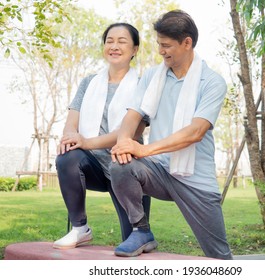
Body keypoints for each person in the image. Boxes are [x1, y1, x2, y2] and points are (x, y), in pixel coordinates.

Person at [110, 10, 233, 259]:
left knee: (219, 257)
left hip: (196, 180)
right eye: (159, 44)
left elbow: (195, 132)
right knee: (121, 165)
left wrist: (143, 149)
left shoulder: (211, 82)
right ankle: (141, 230)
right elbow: (132, 115)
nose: (161, 51)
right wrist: (124, 141)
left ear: (187, 43)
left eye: (166, 45)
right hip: (159, 171)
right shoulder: (153, 77)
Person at [53, 23, 151, 249]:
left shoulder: (142, 85)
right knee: (67, 156)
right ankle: (80, 229)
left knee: (134, 241)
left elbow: (133, 133)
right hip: (93, 165)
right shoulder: (89, 82)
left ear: (135, 49)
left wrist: (87, 141)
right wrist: (70, 137)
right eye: (110, 41)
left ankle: (139, 233)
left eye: (122, 41)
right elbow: (71, 122)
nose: (114, 46)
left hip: (126, 166)